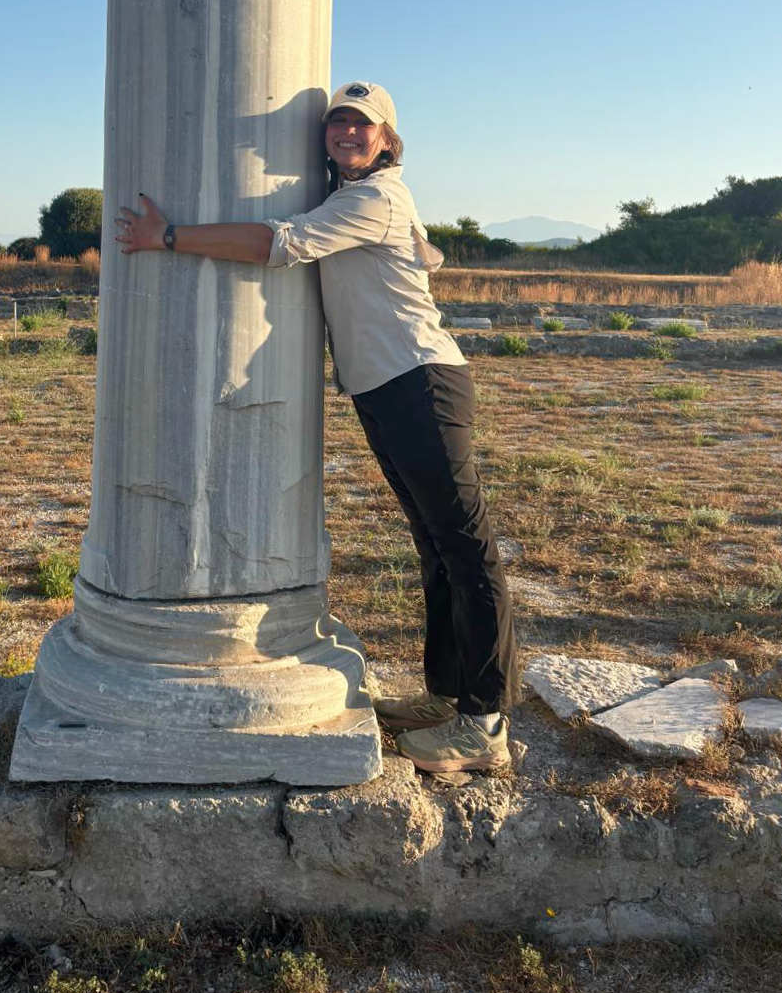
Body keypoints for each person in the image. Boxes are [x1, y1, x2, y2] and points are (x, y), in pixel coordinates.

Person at [115, 81, 519, 773]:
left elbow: (281, 244)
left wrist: (169, 236)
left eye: (362, 124)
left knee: (465, 546)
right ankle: (449, 696)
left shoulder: (375, 198)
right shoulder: (358, 200)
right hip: (389, 389)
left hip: (422, 384)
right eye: (336, 121)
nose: (346, 131)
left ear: (388, 140)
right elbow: (416, 256)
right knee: (435, 547)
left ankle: (484, 726)